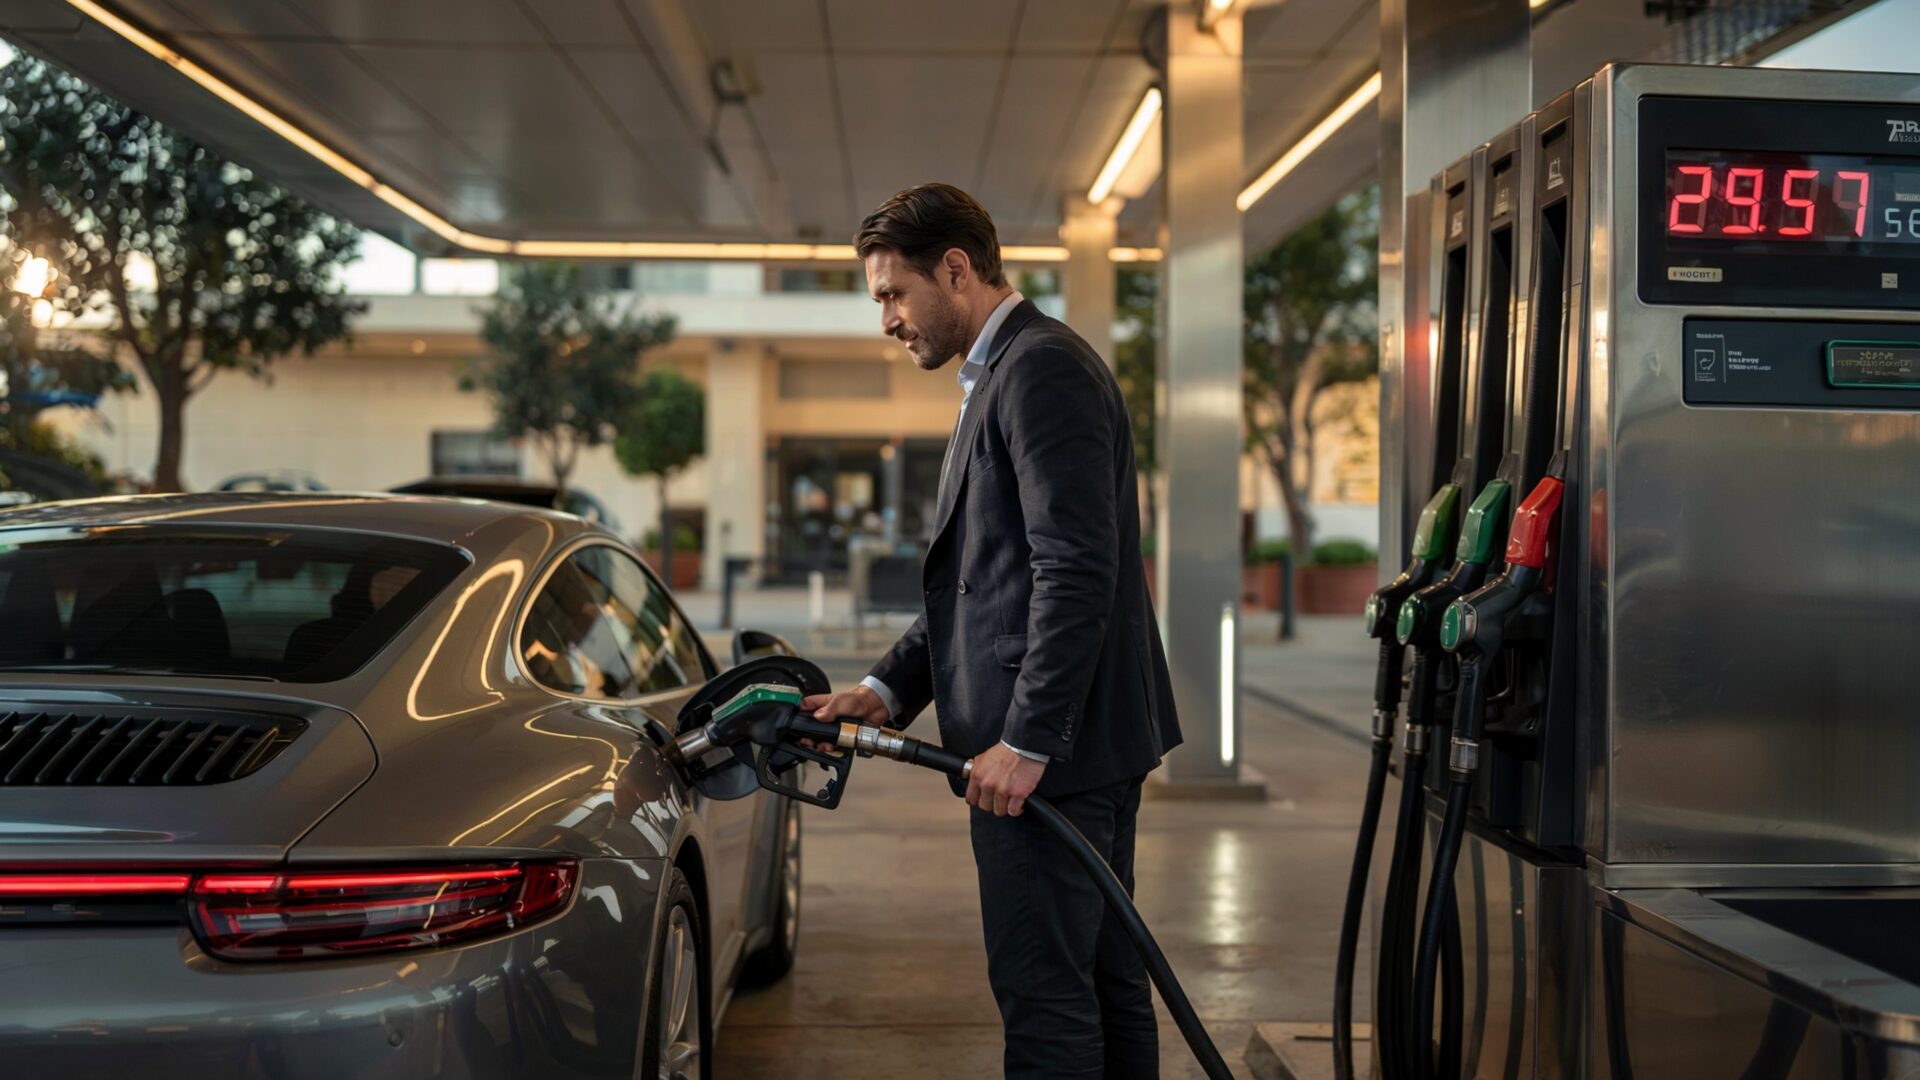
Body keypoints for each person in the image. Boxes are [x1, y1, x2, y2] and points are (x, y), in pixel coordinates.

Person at [804, 183, 1183, 1079]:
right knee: (1103, 985)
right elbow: (983, 586)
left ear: (956, 270)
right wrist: (886, 689)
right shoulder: (1006, 373)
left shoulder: (1039, 370)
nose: (887, 321)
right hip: (1072, 751)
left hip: (1049, 762)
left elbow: (1075, 570)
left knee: (1048, 998)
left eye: (894, 295)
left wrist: (1027, 739)